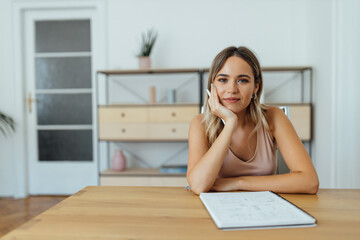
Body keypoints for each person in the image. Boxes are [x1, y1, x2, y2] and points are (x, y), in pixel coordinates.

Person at [186, 46, 319, 195]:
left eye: (242, 80)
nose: (232, 89)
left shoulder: (273, 117)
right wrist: (230, 124)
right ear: (212, 86)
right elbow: (198, 185)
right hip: (216, 210)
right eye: (223, 80)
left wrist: (238, 182)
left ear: (256, 86)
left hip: (266, 207)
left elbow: (310, 182)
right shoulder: (200, 124)